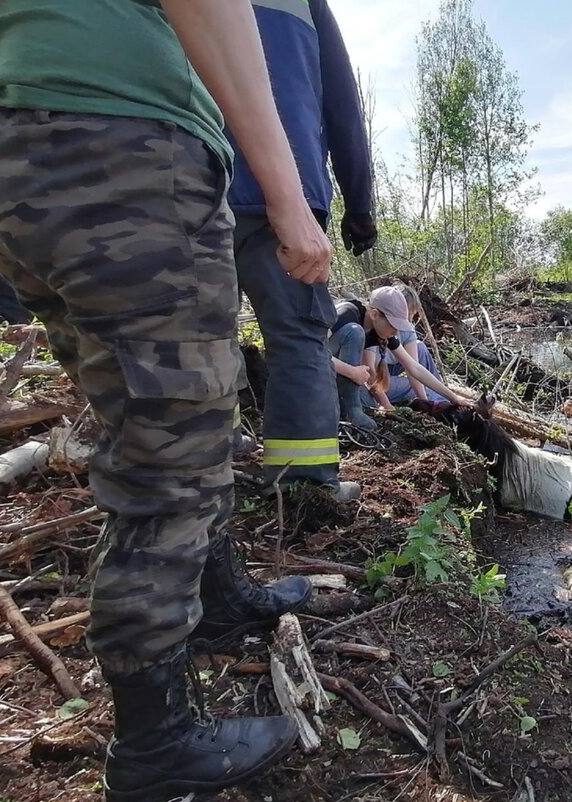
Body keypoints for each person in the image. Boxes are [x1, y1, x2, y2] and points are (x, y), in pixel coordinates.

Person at [0, 0, 333, 802]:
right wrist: (288, 194)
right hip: (115, 146)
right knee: (169, 457)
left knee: (162, 414)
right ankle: (156, 741)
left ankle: (217, 598)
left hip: (5, 149)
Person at [229, 0, 376, 500]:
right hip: (286, 191)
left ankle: (215, 455)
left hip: (188, 176)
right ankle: (305, 483)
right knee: (297, 335)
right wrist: (360, 205)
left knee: (197, 331)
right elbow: (341, 104)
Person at [330, 286, 469, 430]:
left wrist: (454, 398)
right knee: (355, 332)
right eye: (393, 325)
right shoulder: (346, 313)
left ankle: (349, 411)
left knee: (370, 411)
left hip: (342, 384)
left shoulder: (379, 331)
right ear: (374, 314)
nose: (396, 331)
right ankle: (349, 411)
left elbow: (414, 368)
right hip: (319, 377)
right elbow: (312, 353)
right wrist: (352, 372)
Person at [372, 284, 446, 407]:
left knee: (420, 347)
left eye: (411, 314)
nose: (409, 319)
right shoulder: (378, 327)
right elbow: (371, 375)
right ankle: (436, 403)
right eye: (408, 314)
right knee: (413, 386)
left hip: (391, 368)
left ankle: (442, 398)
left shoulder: (405, 331)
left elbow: (414, 368)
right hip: (377, 376)